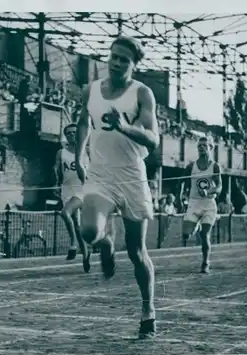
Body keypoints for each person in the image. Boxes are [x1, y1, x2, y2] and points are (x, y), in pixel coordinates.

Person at [74, 36, 159, 339]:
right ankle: (105, 243)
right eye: (113, 56)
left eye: (124, 59)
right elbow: (83, 121)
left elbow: (153, 139)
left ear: (134, 65)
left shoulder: (142, 93)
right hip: (101, 173)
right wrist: (79, 155)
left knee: (137, 253)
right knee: (87, 231)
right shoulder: (92, 90)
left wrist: (123, 126)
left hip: (132, 177)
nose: (117, 62)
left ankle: (148, 312)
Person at [178, 136, 222, 274]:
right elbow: (182, 182)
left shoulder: (215, 166)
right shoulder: (191, 166)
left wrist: (208, 191)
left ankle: (205, 262)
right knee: (186, 234)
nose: (201, 148)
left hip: (208, 203)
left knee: (205, 235)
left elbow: (219, 187)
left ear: (210, 148)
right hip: (194, 202)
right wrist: (180, 197)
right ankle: (194, 226)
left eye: (204, 145)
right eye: (199, 146)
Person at [53, 123, 91, 272]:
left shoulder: (86, 150)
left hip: (82, 189)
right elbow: (56, 168)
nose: (71, 135)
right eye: (68, 133)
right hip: (66, 189)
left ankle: (73, 244)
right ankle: (86, 255)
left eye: (74, 132)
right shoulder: (61, 152)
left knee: (65, 213)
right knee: (76, 224)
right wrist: (55, 180)